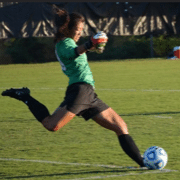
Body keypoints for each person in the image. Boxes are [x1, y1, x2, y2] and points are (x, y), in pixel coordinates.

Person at [1, 6, 145, 167]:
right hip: (80, 91)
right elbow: (74, 52)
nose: (80, 32)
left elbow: (80, 52)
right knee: (51, 125)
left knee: (121, 126)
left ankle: (144, 163)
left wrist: (94, 46)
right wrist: (90, 43)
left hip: (88, 93)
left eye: (82, 29)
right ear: (67, 28)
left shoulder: (68, 43)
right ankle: (24, 96)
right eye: (77, 29)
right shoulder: (64, 43)